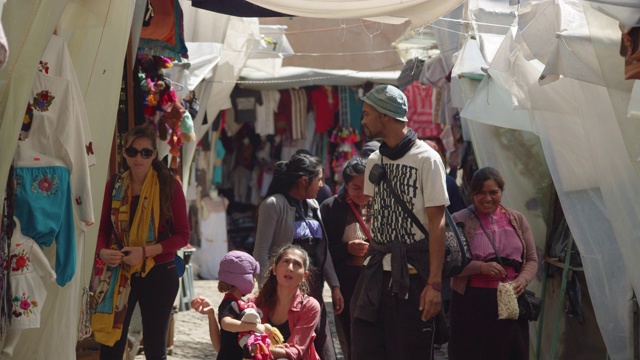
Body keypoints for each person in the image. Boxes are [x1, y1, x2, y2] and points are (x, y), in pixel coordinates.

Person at [351, 84, 449, 360]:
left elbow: (437, 224)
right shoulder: (374, 160)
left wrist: (435, 285)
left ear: (384, 116)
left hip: (414, 278)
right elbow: (373, 211)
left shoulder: (427, 160)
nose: (363, 121)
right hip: (375, 277)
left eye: (367, 114)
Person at [92, 124, 190, 360]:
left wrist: (145, 252)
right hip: (120, 273)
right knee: (111, 346)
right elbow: (102, 229)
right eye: (133, 151)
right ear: (124, 153)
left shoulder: (169, 185)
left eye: (146, 152)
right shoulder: (114, 185)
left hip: (158, 271)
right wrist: (103, 252)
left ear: (154, 155)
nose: (139, 158)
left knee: (155, 348)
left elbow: (183, 236)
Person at [253, 153, 343, 360]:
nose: (322, 184)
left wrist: (335, 285)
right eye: (319, 179)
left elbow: (323, 250)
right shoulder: (273, 204)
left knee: (321, 341)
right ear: (304, 180)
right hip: (284, 290)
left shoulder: (313, 206)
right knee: (289, 342)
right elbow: (262, 251)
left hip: (314, 288)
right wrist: (267, 287)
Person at [448, 167, 538, 359]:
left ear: (501, 192)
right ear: (472, 193)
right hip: (471, 303)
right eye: (481, 192)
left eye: (493, 192)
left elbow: (531, 259)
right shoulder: (459, 220)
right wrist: (480, 267)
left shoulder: (517, 220)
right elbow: (448, 263)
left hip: (509, 302)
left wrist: (521, 281)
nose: (487, 198)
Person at [193, 245, 322, 360]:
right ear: (275, 269)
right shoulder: (253, 305)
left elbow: (295, 352)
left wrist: (258, 347)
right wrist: (211, 315)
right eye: (286, 262)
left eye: (297, 264)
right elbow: (224, 348)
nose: (290, 268)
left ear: (304, 276)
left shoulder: (309, 306)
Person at [320, 157, 371, 360]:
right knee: (350, 331)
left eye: (367, 187)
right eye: (355, 188)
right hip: (347, 279)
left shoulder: (383, 205)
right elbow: (322, 250)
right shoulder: (331, 208)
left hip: (376, 276)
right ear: (346, 185)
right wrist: (347, 248)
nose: (362, 193)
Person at [192, 250, 262, 359]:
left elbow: (220, 345)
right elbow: (226, 323)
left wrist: (211, 314)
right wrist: (254, 326)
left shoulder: (239, 303)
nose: (254, 281)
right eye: (253, 277)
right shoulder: (230, 303)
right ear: (242, 278)